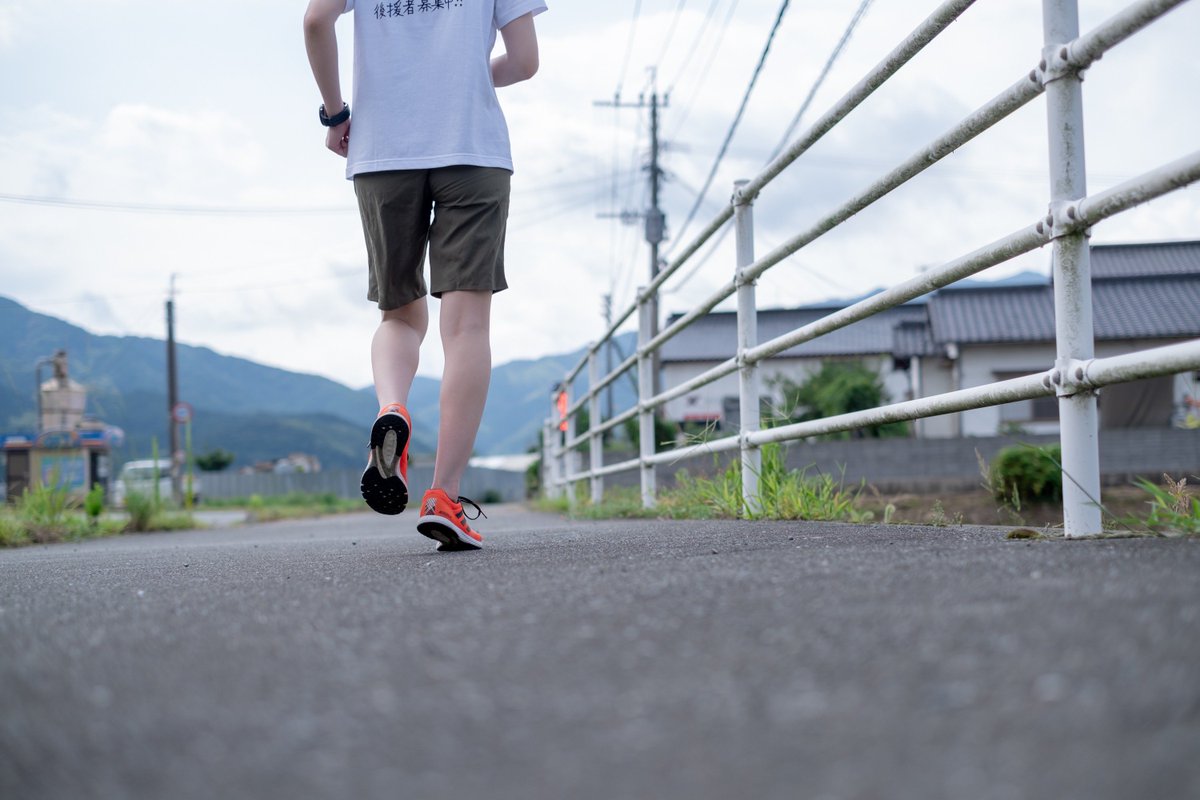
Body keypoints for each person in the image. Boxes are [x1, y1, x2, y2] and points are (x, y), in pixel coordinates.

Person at [303, 0, 546, 551]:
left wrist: (336, 114)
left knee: (398, 315)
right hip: (472, 149)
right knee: (466, 328)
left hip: (383, 151)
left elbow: (316, 20)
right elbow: (525, 61)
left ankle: (392, 407)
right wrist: (463, 75)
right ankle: (444, 497)